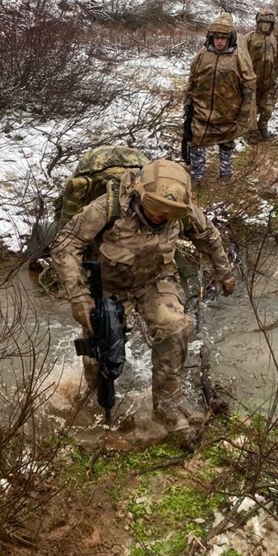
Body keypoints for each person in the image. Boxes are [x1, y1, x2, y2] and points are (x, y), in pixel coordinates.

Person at [50, 159, 236, 434]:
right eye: (156, 210)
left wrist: (224, 272)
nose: (161, 218)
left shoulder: (181, 211)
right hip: (108, 286)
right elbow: (65, 246)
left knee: (176, 327)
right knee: (101, 352)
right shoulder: (107, 208)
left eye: (168, 214)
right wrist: (79, 297)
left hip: (154, 281)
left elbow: (208, 235)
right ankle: (93, 404)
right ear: (140, 195)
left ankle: (166, 406)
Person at [185, 12, 256, 182]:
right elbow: (192, 79)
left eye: (223, 37)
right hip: (202, 110)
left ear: (230, 38)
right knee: (196, 143)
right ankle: (197, 176)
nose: (219, 41)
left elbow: (249, 86)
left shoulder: (239, 57)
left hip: (228, 113)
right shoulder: (202, 54)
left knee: (226, 145)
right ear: (211, 37)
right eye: (216, 37)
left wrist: (244, 114)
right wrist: (187, 101)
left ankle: (225, 175)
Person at [244, 11, 278, 140]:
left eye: (268, 23)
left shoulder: (275, 39)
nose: (266, 26)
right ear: (258, 23)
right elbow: (240, 58)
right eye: (263, 23)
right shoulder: (249, 38)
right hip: (252, 80)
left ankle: (262, 125)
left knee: (268, 107)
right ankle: (251, 131)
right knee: (251, 108)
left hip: (270, 80)